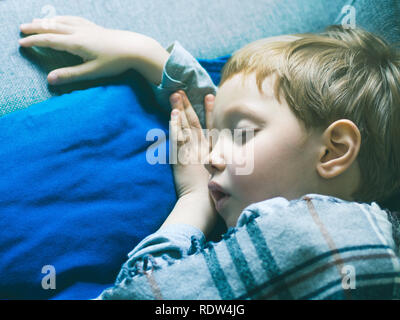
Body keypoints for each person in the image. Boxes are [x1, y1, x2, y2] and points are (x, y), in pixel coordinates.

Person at [18, 16, 400, 299]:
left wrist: (193, 203)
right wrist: (150, 57)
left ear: (333, 151)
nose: (211, 156)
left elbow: (138, 295)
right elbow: (242, 108)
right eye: (216, 136)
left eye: (240, 134)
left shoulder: (320, 241)